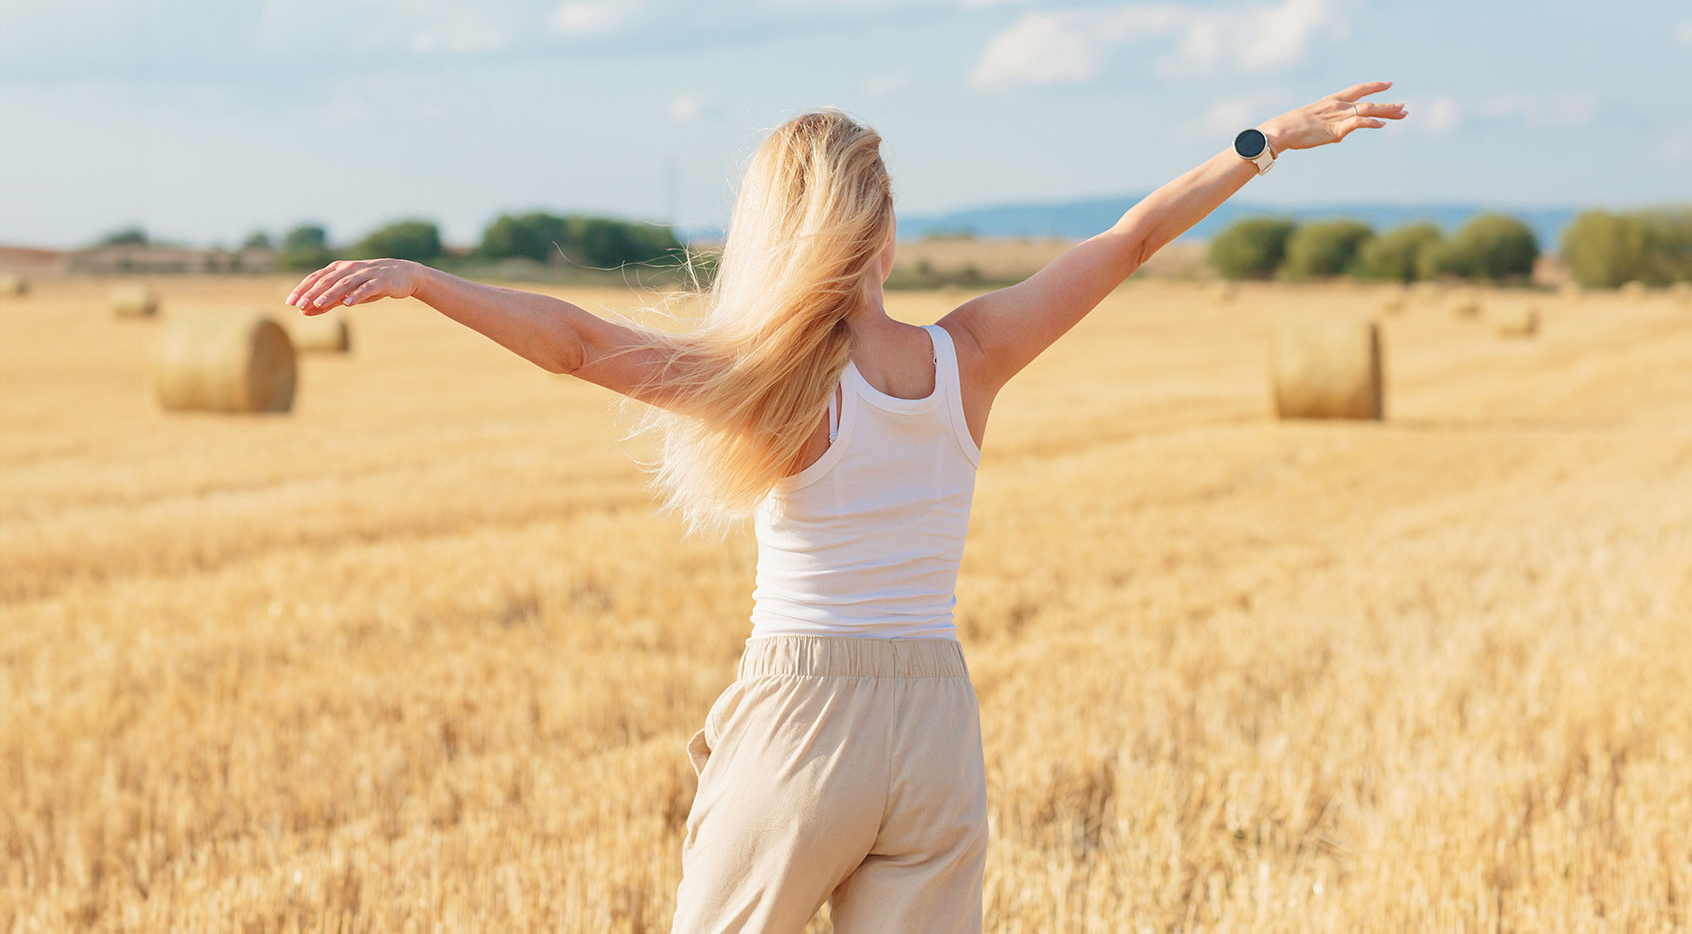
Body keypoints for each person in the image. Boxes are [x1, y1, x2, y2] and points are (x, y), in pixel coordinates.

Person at [285, 82, 1407, 932]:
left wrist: (425, 281)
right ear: (886, 229)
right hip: (936, 727)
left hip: (804, 715)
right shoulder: (970, 352)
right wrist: (1259, 145)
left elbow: (577, 345)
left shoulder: (770, 381)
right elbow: (1131, 240)